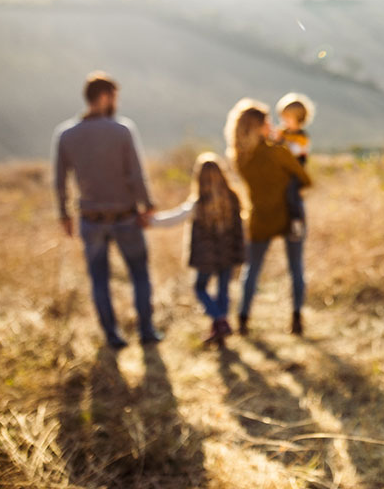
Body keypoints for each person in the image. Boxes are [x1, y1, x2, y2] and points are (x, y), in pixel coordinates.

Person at [52, 71, 163, 348]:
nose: (116, 103)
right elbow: (136, 174)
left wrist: (64, 215)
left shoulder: (66, 134)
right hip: (125, 216)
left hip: (90, 219)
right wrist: (147, 205)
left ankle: (112, 336)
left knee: (99, 279)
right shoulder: (122, 130)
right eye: (114, 97)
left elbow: (59, 179)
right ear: (104, 97)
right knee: (139, 274)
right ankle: (146, 331)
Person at [225, 98, 312, 336]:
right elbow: (305, 178)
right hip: (290, 214)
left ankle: (242, 318)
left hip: (260, 217)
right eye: (267, 121)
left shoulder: (240, 158)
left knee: (251, 269)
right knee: (296, 267)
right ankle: (296, 318)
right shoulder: (277, 152)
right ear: (259, 126)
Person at [152, 152, 245, 346]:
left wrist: (151, 221)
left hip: (207, 257)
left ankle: (220, 321)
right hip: (227, 253)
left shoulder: (198, 202)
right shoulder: (232, 198)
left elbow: (175, 218)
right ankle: (220, 326)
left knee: (200, 287)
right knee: (223, 290)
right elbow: (240, 227)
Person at [273, 92, 315, 241]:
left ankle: (296, 222)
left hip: (296, 172)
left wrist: (282, 142)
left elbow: (295, 153)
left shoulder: (302, 137)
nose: (284, 121)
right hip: (283, 171)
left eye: (287, 118)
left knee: (291, 193)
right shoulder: (283, 133)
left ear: (299, 119)